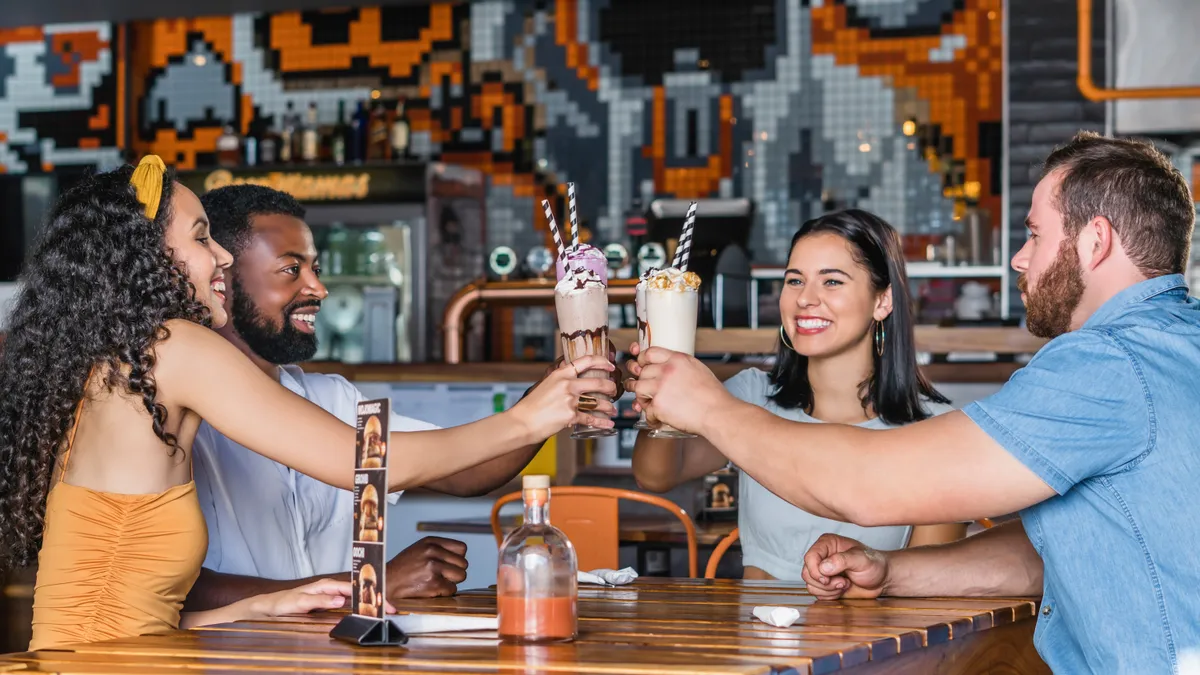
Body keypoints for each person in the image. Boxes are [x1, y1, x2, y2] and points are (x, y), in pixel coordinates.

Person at [628, 131, 1200, 672]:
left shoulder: (1107, 365)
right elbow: (1044, 557)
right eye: (794, 280)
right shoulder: (1172, 347)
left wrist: (706, 407)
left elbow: (865, 484)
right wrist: (889, 571)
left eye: (1034, 234)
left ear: (1095, 242)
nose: (1020, 259)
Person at [0, 156, 615, 650]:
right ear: (149, 258)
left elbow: (118, 613)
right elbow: (367, 463)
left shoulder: (119, 367)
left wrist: (260, 605)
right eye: (201, 239)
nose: (219, 257)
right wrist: (534, 415)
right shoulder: (173, 347)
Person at [185, 184, 614, 610]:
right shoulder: (181, 415)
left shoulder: (331, 397)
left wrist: (558, 385)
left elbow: (466, 472)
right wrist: (370, 584)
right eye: (291, 270)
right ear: (221, 279)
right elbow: (178, 591)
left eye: (315, 268)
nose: (318, 288)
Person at [631, 209, 964, 580]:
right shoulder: (752, 396)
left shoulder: (936, 428)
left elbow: (929, 588)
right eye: (794, 281)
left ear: (882, 301)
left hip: (874, 638)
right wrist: (659, 396)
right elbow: (655, 474)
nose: (806, 298)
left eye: (832, 282)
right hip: (758, 634)